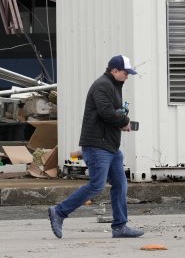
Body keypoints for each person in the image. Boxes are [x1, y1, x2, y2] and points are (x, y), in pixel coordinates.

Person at [48, 54, 144, 239]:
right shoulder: (102, 85)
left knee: (120, 184)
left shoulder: (114, 86)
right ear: (114, 71)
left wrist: (121, 121)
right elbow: (106, 113)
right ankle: (59, 212)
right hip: (97, 145)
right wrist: (124, 121)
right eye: (126, 73)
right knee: (96, 186)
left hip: (111, 146)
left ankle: (120, 226)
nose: (128, 76)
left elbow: (110, 114)